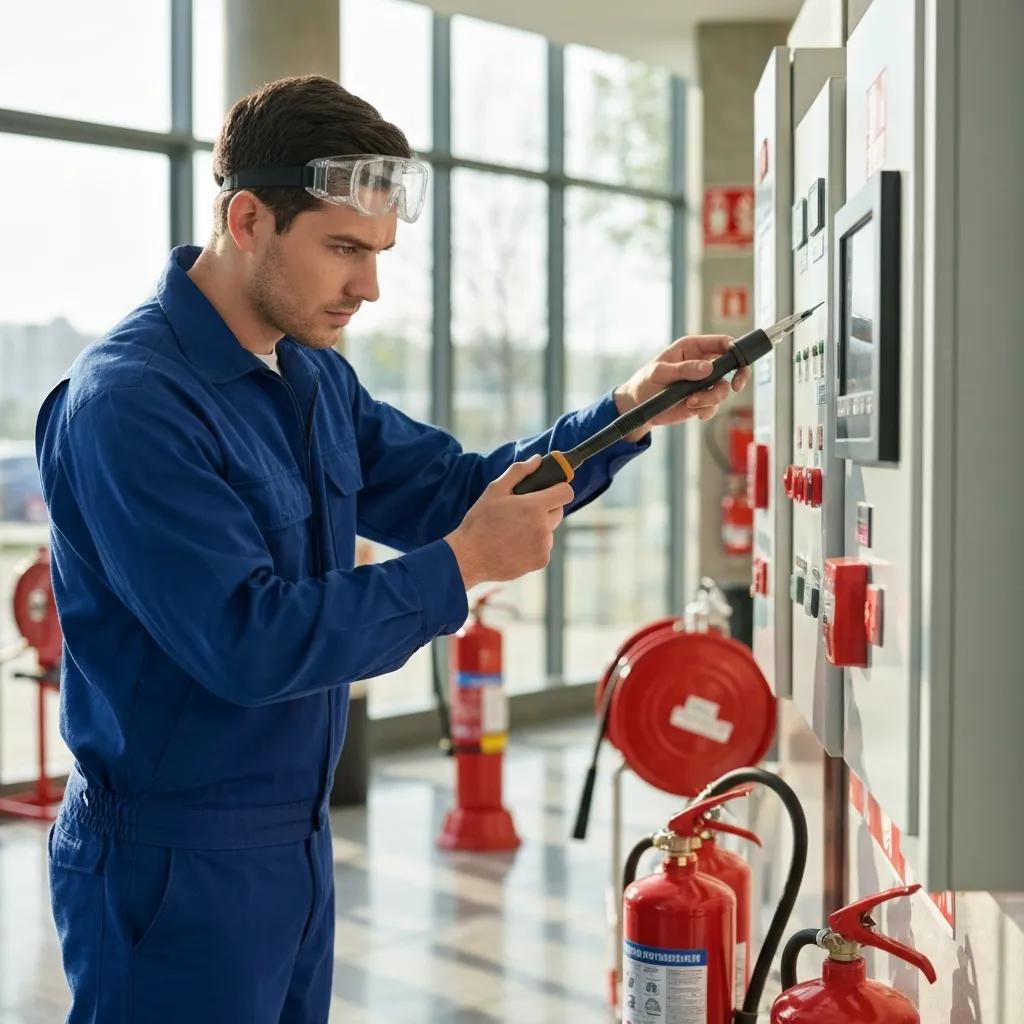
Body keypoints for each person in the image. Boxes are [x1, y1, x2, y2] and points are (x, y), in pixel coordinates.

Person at [36, 74, 747, 1023]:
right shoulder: (130, 405)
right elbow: (247, 642)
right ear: (247, 219)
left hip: (292, 846)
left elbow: (456, 491)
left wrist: (624, 415)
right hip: (169, 871)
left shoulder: (313, 377)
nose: (368, 286)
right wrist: (460, 567)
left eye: (378, 252)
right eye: (342, 249)